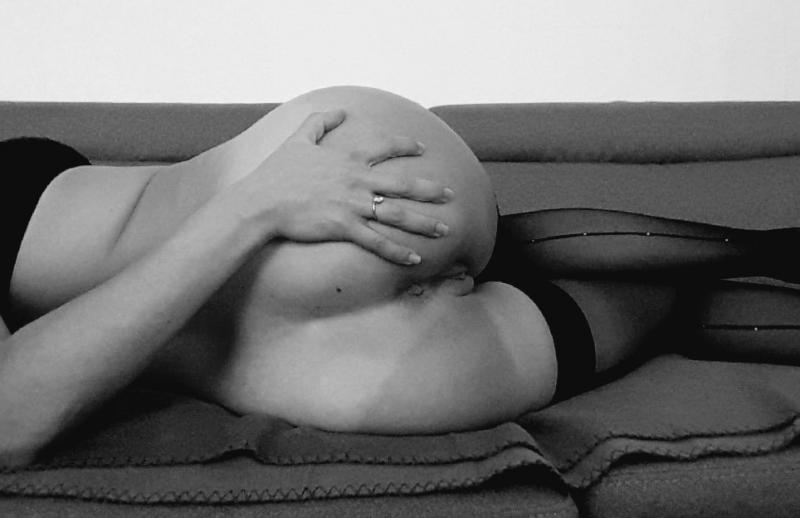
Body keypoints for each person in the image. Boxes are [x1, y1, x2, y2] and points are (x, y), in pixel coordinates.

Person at [1, 86, 798, 468]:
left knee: (671, 308)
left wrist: (259, 207)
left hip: (328, 352)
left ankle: (715, 281)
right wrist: (251, 207)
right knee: (638, 285)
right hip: (345, 190)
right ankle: (762, 250)